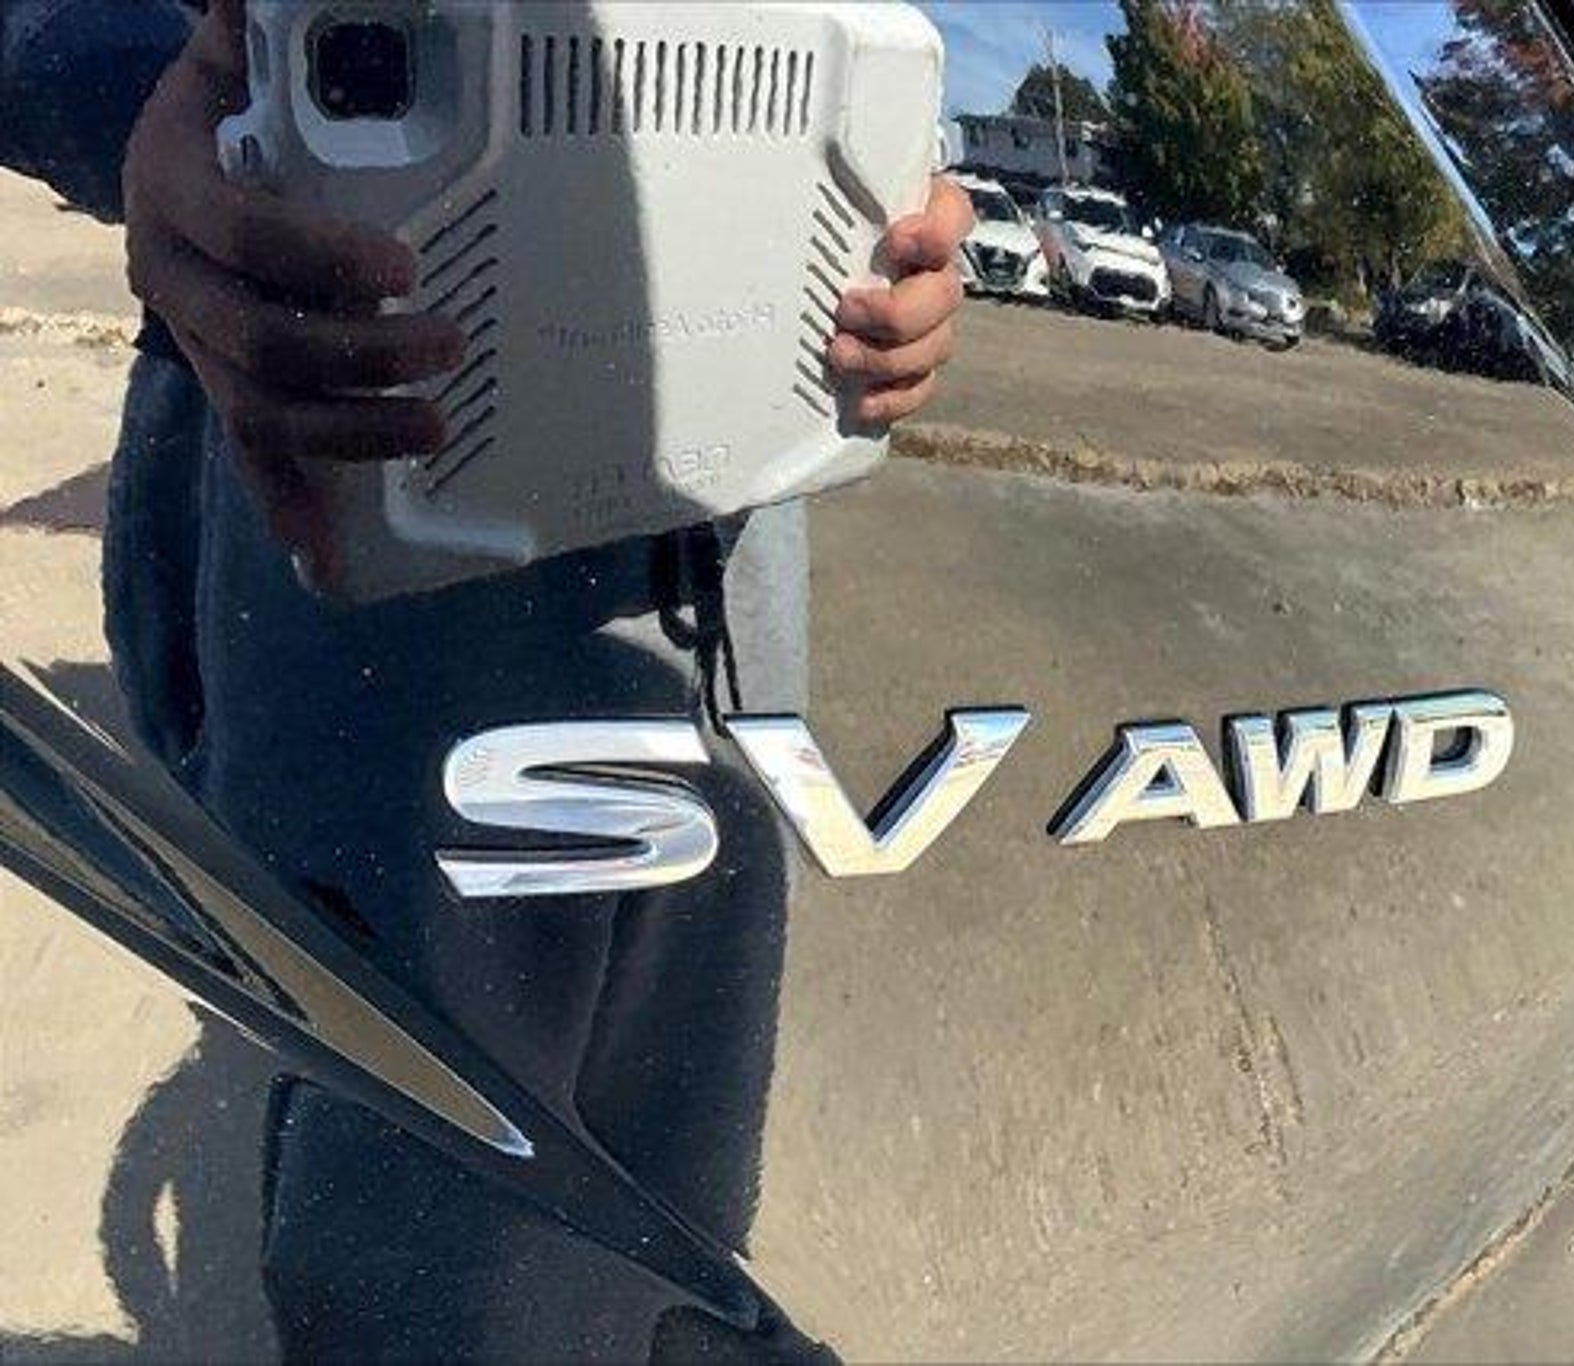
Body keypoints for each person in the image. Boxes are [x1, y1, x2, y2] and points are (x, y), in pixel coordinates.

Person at [3, 0, 972, 1358]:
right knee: (429, 1232)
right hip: (381, 536)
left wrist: (907, 221)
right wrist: (144, 105)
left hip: (726, 559)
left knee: (681, 1193)